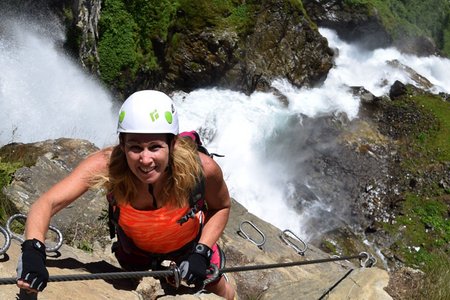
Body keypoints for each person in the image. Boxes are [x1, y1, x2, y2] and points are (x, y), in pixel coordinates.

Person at [16, 90, 236, 300]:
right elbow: (47, 203)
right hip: (134, 252)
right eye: (135, 147)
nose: (146, 159)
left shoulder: (201, 169)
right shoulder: (107, 165)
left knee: (222, 292)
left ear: (173, 144)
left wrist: (201, 251)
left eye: (155, 146)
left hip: (189, 248)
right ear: (122, 145)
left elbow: (221, 207)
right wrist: (33, 252)